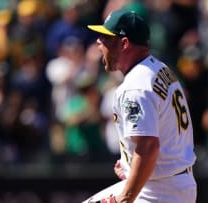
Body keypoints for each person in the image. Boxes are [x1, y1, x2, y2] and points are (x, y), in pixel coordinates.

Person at [84, 9, 197, 203]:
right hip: (170, 182)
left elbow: (148, 148)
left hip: (160, 191)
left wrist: (126, 198)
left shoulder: (135, 87)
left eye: (105, 37)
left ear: (124, 43)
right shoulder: (158, 67)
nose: (98, 42)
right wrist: (130, 165)